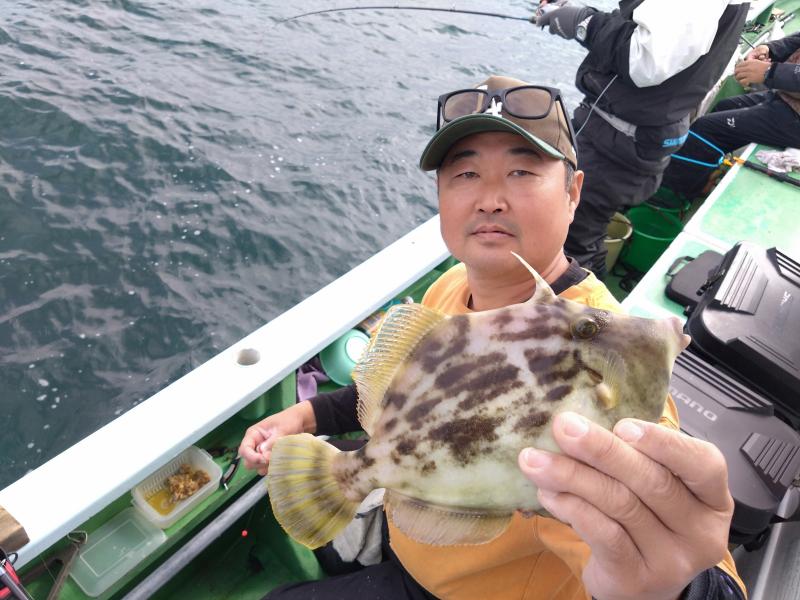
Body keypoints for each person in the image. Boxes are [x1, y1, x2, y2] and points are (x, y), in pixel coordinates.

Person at [239, 75, 747, 600]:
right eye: (465, 173)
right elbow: (400, 399)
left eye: (522, 170)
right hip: (408, 520)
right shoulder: (453, 285)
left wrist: (677, 587)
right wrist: (307, 416)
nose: (490, 199)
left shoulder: (608, 373)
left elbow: (688, 554)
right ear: (440, 196)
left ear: (574, 192)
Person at [535, 0, 750, 278]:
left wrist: (585, 22)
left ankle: (592, 314)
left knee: (573, 237)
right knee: (585, 229)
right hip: (629, 130)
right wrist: (577, 14)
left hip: (620, 139)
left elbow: (646, 61)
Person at [660, 31, 800, 198]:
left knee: (704, 130)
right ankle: (704, 175)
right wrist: (770, 49)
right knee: (724, 106)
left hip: (794, 115)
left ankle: (672, 198)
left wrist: (770, 72)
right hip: (790, 96)